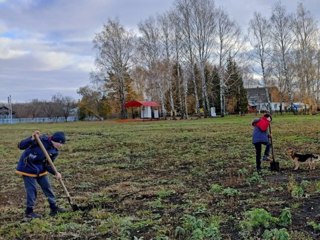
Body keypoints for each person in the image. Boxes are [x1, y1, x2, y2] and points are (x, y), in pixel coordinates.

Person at [16, 130, 67, 219]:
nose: (61, 146)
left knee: (47, 187)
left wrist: (55, 173)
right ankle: (29, 212)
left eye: (62, 144)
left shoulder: (54, 151)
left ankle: (54, 208)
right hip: (28, 168)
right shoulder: (40, 140)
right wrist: (31, 138)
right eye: (60, 143)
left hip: (41, 169)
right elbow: (20, 146)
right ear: (55, 140)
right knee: (32, 190)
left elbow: (48, 164)